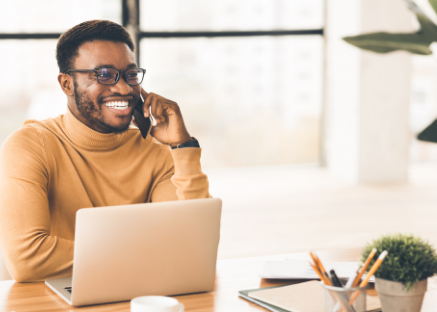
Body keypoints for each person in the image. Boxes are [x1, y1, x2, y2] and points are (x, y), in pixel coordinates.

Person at [0, 20, 210, 282]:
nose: (123, 88)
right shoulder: (30, 146)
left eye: (130, 75)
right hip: (51, 300)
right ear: (67, 84)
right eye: (104, 74)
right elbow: (27, 259)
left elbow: (195, 246)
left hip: (137, 296)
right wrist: (151, 253)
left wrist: (183, 147)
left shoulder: (156, 150)